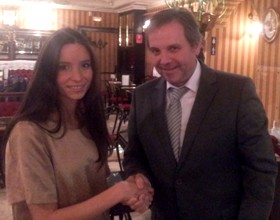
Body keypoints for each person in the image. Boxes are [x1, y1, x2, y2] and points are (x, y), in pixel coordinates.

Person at [123, 8, 278, 220]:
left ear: (197, 45)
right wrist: (138, 175)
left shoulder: (237, 91)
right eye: (156, 51)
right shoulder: (143, 96)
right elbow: (134, 155)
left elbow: (261, 171)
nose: (164, 60)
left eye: (174, 48)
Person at [3, 28, 153, 220]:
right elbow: (44, 217)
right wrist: (120, 191)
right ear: (47, 72)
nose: (78, 77)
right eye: (63, 67)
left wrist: (134, 187)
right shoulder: (29, 131)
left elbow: (93, 188)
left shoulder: (86, 120)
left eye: (85, 65)